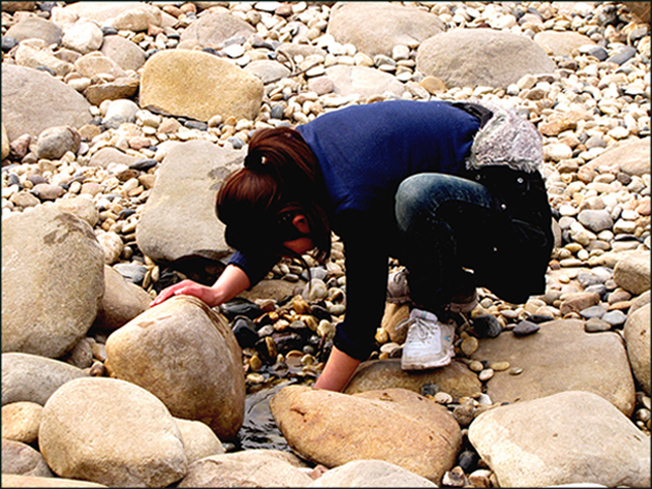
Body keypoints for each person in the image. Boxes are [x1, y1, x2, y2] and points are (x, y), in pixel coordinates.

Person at [151, 99, 553, 392]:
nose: (296, 255)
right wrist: (218, 290)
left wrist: (321, 395)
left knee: (415, 196)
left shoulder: (352, 196)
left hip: (515, 223)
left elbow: (363, 314)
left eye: (290, 249)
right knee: (404, 201)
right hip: (466, 178)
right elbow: (266, 234)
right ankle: (446, 281)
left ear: (299, 220)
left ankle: (436, 310)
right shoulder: (290, 166)